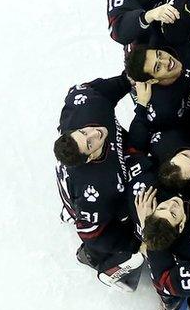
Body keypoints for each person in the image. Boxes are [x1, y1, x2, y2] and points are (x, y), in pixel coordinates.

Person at [53, 74, 151, 291]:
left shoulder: (85, 110)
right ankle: (99, 261)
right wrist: (137, 244)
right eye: (89, 143)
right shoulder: (95, 188)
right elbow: (94, 235)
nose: (95, 133)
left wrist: (127, 81)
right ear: (88, 158)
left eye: (84, 132)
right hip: (92, 204)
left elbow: (89, 90)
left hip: (110, 173)